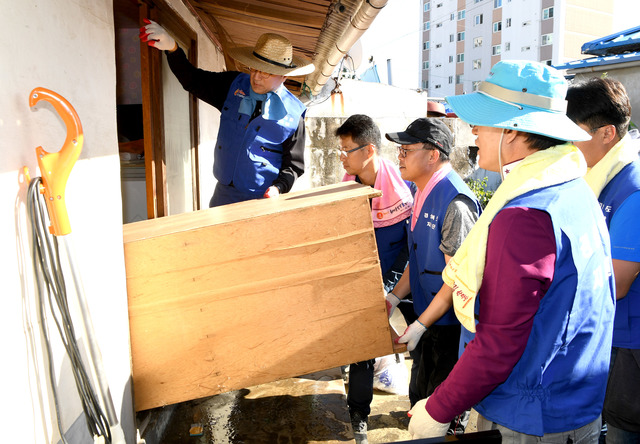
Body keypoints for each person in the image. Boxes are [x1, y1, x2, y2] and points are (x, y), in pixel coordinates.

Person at [407, 60, 616, 443]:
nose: (473, 132)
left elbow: (500, 341)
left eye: (482, 122)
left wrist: (438, 409)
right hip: (571, 400)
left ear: (513, 132)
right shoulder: (573, 187)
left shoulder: (524, 214)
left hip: (528, 415)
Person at [140, 20, 314, 206]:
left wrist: (279, 187)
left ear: (284, 76)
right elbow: (193, 80)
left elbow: (293, 165)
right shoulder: (233, 85)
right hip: (224, 195)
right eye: (254, 68)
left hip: (264, 197)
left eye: (266, 73)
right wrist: (172, 48)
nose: (256, 77)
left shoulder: (294, 114)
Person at [383, 119, 480, 421]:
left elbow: (459, 279)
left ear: (433, 155)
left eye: (406, 149)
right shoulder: (420, 191)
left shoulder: (455, 203)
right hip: (428, 321)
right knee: (418, 401)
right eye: (399, 149)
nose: (399, 156)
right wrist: (394, 298)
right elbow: (420, 258)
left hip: (448, 327)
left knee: (441, 413)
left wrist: (421, 324)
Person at [566, 77, 640, 444]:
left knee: (623, 434)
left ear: (607, 133)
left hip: (630, 345)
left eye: (573, 133)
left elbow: (618, 281)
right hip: (610, 338)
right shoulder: (600, 179)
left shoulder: (633, 189)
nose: (568, 145)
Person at [335, 114, 415, 444]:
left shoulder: (402, 190)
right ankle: (358, 413)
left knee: (418, 341)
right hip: (365, 279)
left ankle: (422, 407)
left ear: (368, 150)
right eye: (339, 149)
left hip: (405, 282)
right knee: (363, 346)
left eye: (346, 149)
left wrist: (389, 291)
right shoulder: (348, 188)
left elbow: (408, 248)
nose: (341, 156)